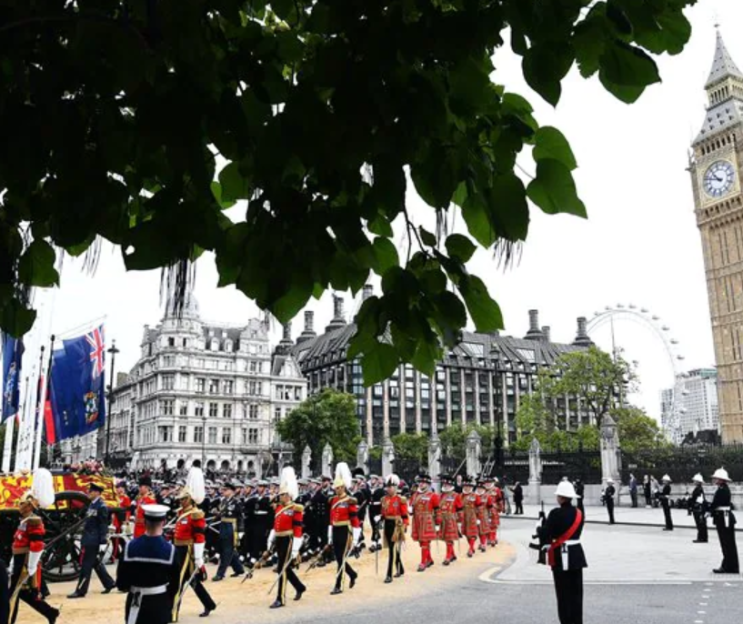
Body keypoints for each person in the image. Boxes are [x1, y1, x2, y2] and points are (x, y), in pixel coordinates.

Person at [116, 504, 180, 624]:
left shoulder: (130, 546)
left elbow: (121, 582)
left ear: (144, 521)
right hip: (159, 603)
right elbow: (175, 585)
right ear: (164, 522)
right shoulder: (170, 550)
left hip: (135, 601)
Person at [8, 491, 59, 624]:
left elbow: (36, 545)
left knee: (11, 593)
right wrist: (13, 561)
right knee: (22, 593)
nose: (20, 506)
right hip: (20, 559)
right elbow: (18, 543)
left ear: (30, 506)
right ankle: (50, 612)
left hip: (26, 561)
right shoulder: (25, 520)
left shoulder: (33, 520)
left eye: (23, 503)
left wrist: (31, 566)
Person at [171, 480, 216, 620]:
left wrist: (198, 557)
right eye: (180, 499)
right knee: (193, 581)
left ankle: (172, 613)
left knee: (177, 581)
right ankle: (209, 603)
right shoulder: (181, 513)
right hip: (178, 549)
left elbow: (199, 537)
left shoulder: (196, 514)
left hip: (188, 551)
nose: (181, 501)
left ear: (190, 499)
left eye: (184, 499)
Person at [543, 480, 586, 624]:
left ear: (561, 497)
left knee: (563, 594)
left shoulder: (555, 513)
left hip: (561, 555)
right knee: (576, 593)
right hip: (576, 555)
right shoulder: (579, 512)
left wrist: (540, 526)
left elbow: (547, 533)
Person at [68, 482, 116, 598]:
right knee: (95, 563)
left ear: (98, 493)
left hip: (93, 541)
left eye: (92, 491)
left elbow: (103, 525)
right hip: (88, 538)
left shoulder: (101, 507)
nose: (89, 493)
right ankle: (109, 583)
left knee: (86, 565)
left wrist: (103, 542)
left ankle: (81, 590)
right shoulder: (92, 505)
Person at [267, 467, 306, 609]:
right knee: (285, 568)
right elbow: (276, 524)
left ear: (289, 495)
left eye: (283, 494)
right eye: (280, 494)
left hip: (289, 540)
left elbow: (298, 529)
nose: (280, 497)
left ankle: (280, 598)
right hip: (279, 539)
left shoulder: (296, 509)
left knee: (282, 568)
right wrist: (271, 538)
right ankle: (299, 587)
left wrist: (296, 547)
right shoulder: (278, 507)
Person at [328, 463, 361, 594]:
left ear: (344, 487)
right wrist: (329, 535)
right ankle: (352, 574)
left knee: (341, 556)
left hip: (345, 530)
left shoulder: (349, 501)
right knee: (338, 557)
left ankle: (339, 585)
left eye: (340, 488)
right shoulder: (333, 500)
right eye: (336, 488)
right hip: (335, 529)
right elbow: (331, 519)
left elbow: (354, 519)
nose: (337, 490)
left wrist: (356, 537)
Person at [213, 482, 245, 581]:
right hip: (223, 526)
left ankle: (220, 573)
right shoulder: (223, 501)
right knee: (229, 549)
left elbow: (240, 517)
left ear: (231, 491)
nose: (223, 492)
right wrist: (216, 513)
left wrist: (241, 530)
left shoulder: (237, 502)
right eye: (222, 490)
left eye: (225, 490)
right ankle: (239, 569)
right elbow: (221, 513)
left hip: (232, 526)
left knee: (226, 550)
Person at [709, 467, 739, 574]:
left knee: (727, 543)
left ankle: (729, 566)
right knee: (727, 543)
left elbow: (716, 504)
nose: (715, 480)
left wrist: (709, 509)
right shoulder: (722, 489)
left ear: (721, 480)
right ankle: (729, 565)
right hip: (722, 517)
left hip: (724, 518)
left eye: (717, 478)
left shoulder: (723, 490)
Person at [380, 474, 408, 582]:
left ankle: (389, 574)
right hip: (387, 523)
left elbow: (405, 514)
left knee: (392, 550)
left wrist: (405, 525)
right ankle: (400, 568)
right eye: (387, 486)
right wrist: (380, 520)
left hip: (397, 525)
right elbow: (383, 513)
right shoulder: (384, 499)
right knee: (393, 548)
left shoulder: (401, 499)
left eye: (391, 486)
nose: (389, 488)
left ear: (396, 487)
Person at [410, 474, 440, 571]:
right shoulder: (414, 495)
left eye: (424, 483)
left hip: (427, 520)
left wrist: (437, 523)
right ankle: (429, 559)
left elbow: (437, 510)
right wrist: (410, 509)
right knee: (420, 542)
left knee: (425, 541)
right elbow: (411, 505)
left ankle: (423, 562)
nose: (421, 484)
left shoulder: (433, 495)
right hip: (417, 520)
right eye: (420, 482)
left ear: (428, 484)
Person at [437, 475, 463, 565]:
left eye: (447, 484)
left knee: (449, 538)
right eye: (444, 484)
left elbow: (460, 509)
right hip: (442, 519)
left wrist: (460, 521)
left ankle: (448, 557)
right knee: (445, 538)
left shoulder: (456, 496)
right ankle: (452, 554)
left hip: (451, 519)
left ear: (451, 485)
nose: (445, 486)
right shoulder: (440, 496)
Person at [461, 476, 481, 557]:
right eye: (465, 487)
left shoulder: (475, 496)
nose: (467, 488)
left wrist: (479, 517)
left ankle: (470, 548)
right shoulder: (460, 496)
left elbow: (479, 507)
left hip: (472, 516)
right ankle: (471, 547)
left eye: (469, 487)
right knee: (466, 533)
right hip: (463, 517)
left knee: (472, 534)